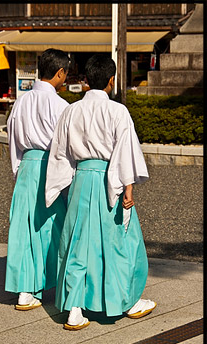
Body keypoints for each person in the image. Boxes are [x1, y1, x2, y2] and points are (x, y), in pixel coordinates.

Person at [45, 54, 156, 330]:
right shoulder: (118, 111)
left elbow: (60, 153)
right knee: (120, 241)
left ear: (84, 80)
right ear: (111, 80)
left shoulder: (71, 111)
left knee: (78, 244)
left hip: (82, 180)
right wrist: (128, 186)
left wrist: (61, 186)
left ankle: (74, 309)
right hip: (110, 179)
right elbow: (125, 151)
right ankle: (125, 301)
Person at [5, 48, 70, 310]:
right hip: (51, 166)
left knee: (24, 229)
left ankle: (25, 290)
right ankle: (49, 281)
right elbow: (65, 145)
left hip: (27, 167)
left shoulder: (21, 101)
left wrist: (17, 170)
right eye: (66, 72)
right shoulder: (61, 105)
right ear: (59, 73)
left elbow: (13, 142)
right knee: (54, 226)